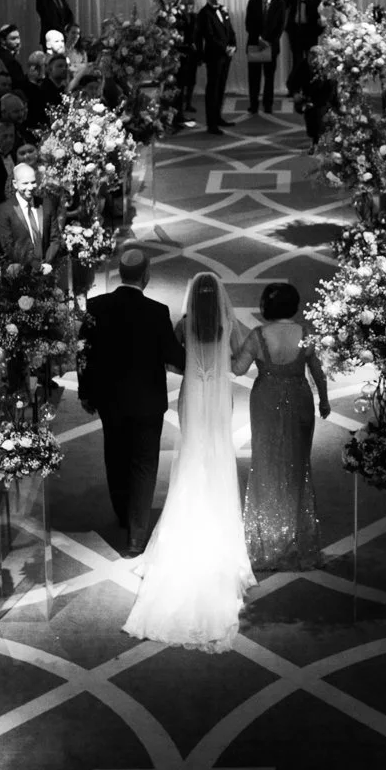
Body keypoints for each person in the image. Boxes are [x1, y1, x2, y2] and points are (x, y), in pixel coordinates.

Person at [121, 270, 255, 651]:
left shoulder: (185, 323)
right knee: (217, 451)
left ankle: (189, 509)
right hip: (217, 400)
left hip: (194, 398)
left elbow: (172, 362)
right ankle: (217, 512)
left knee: (192, 451)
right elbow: (244, 358)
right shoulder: (230, 322)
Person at [80, 248, 187, 554]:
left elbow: (83, 354)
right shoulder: (157, 311)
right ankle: (137, 537)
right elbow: (173, 356)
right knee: (143, 465)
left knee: (115, 456)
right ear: (146, 275)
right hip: (147, 403)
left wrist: (87, 392)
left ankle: (123, 517)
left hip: (110, 401)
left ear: (120, 275)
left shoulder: (95, 306)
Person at [233, 282, 331, 571]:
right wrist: (324, 401)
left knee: (266, 463)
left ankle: (267, 540)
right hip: (300, 399)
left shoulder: (258, 335)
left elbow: (238, 369)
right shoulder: (304, 333)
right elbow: (318, 373)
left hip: (265, 399)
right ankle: (299, 538)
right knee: (298, 464)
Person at [194, 0, 238, 133]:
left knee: (221, 88)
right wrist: (224, 48)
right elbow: (209, 37)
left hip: (226, 56)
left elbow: (230, 30)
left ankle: (218, 117)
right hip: (214, 57)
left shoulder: (223, 10)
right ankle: (211, 124)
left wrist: (233, 45)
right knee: (212, 90)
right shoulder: (204, 13)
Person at [244, 0, 286, 115]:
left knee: (269, 78)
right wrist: (259, 39)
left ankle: (268, 105)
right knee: (254, 78)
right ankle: (253, 105)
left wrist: (267, 41)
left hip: (271, 46)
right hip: (255, 45)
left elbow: (280, 27)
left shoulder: (279, 4)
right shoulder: (252, 3)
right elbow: (248, 25)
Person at [282, 0, 325, 96]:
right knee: (297, 60)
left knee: (311, 60)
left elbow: (316, 6)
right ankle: (294, 88)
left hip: (310, 30)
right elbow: (285, 5)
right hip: (295, 29)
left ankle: (310, 88)